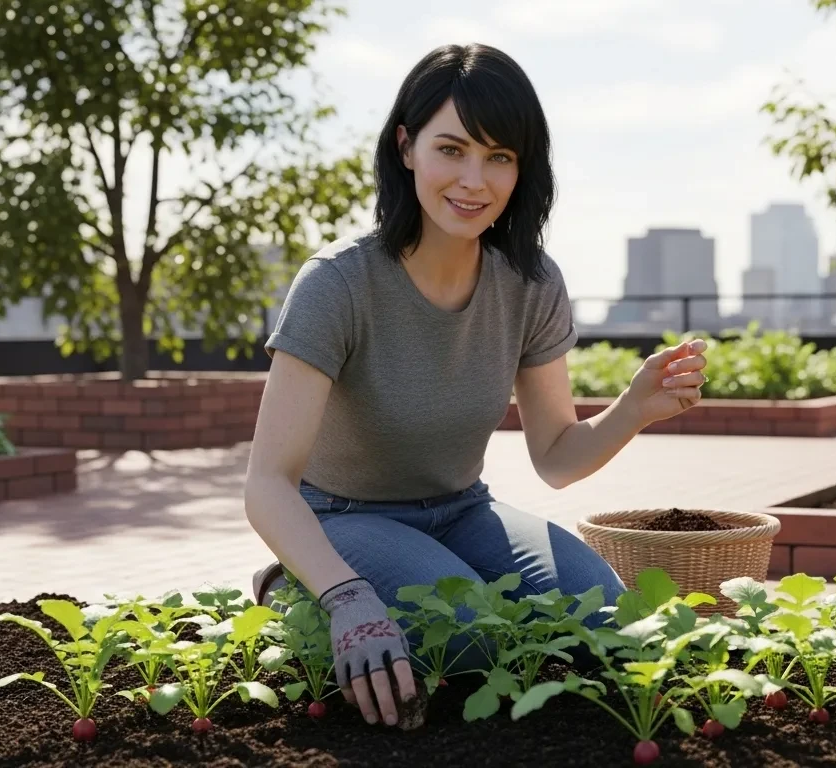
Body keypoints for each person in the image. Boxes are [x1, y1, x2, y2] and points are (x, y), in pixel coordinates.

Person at [241, 43, 709, 731]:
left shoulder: (531, 282)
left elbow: (555, 455)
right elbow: (267, 484)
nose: (474, 180)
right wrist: (347, 597)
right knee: (466, 639)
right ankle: (298, 585)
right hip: (342, 516)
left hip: (463, 512)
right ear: (406, 148)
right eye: (452, 149)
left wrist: (633, 409)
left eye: (500, 157)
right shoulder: (338, 283)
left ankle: (384, 581)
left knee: (607, 613)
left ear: (523, 169)